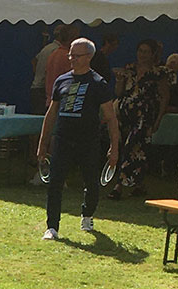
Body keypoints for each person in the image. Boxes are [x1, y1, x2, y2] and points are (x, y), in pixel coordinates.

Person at [36, 37, 118, 238]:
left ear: (89, 57)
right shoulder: (62, 80)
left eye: (77, 55)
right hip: (63, 138)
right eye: (70, 54)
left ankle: (87, 214)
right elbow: (51, 114)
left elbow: (110, 117)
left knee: (91, 182)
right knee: (55, 182)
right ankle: (52, 226)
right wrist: (42, 143)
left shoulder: (98, 83)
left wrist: (114, 147)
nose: (71, 58)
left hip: (88, 140)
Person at [111, 41, 178, 198]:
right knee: (136, 150)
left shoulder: (158, 73)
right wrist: (118, 80)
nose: (143, 55)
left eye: (146, 52)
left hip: (144, 116)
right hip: (126, 114)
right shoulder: (130, 69)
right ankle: (139, 184)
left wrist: (158, 120)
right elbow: (119, 93)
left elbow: (164, 96)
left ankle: (119, 185)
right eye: (140, 51)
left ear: (153, 54)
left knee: (131, 147)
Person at [30, 24, 71, 115]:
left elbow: (34, 60)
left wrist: (38, 74)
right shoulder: (58, 51)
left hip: (36, 87)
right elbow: (55, 70)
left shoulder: (47, 48)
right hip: (43, 90)